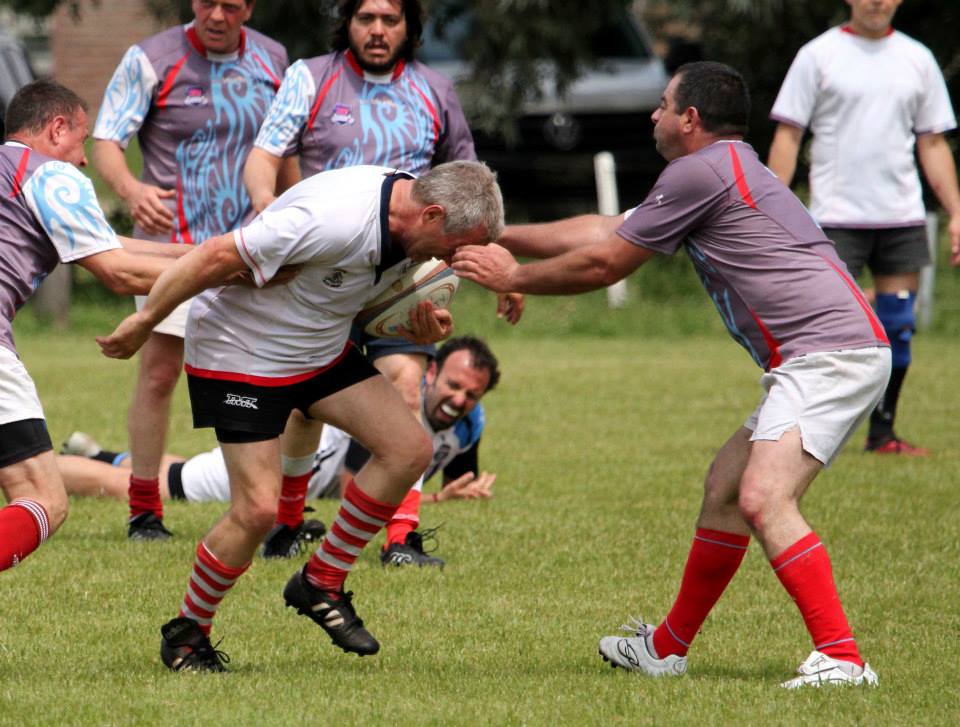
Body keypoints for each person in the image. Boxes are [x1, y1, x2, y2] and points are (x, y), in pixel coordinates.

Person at [452, 61, 890, 689]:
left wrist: (512, 276)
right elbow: (606, 229)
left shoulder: (700, 171)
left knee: (765, 497)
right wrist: (498, 236)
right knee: (725, 488)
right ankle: (666, 647)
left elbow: (605, 263)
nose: (652, 115)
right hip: (829, 351)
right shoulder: (717, 168)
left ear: (690, 119)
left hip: (829, 352)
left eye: (662, 105)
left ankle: (843, 658)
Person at [97, 160, 504, 672]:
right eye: (450, 248)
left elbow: (350, 293)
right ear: (431, 214)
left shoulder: (416, 220)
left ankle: (321, 582)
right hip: (241, 353)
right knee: (256, 511)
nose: (447, 261)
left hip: (318, 350)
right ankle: (187, 633)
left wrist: (416, 327)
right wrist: (144, 320)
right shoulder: (333, 217)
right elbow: (216, 254)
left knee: (409, 451)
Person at [243, 0, 520, 561]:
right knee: (305, 403)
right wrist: (267, 208)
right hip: (329, 266)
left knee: (404, 380)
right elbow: (263, 155)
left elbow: (472, 187)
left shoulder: (434, 90)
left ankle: (402, 536)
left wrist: (504, 265)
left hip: (406, 273)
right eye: (365, 17)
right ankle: (290, 523)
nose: (376, 30)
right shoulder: (309, 77)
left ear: (408, 27)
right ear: (347, 21)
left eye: (389, 19)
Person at [92, 0, 291, 539]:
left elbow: (286, 148)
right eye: (207, 2)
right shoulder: (151, 58)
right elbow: (107, 139)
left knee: (266, 379)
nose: (217, 14)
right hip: (171, 249)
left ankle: (274, 510)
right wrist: (131, 190)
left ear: (249, 7)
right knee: (159, 374)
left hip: (248, 248)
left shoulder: (275, 60)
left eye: (231, 4)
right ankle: (144, 509)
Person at [58, 335, 501, 565]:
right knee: (162, 485)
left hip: (308, 478)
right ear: (431, 370)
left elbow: (450, 481)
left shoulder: (468, 424)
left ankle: (97, 452)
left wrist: (454, 493)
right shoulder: (395, 404)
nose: (459, 400)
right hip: (294, 456)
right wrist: (438, 501)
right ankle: (42, 468)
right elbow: (355, 491)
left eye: (472, 395)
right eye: (454, 385)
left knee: (185, 470)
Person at [0, 80, 191, 572]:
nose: (83, 159)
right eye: (82, 141)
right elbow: (118, 271)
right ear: (57, 128)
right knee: (44, 497)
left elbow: (111, 244)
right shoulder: (49, 176)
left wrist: (213, 256)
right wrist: (225, 274)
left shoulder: (10, 171)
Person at [767, 0, 960, 456]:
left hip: (900, 216)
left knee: (898, 326)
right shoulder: (818, 54)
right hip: (835, 218)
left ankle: (882, 432)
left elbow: (932, 141)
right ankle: (809, 432)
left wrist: (956, 210)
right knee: (825, 334)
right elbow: (788, 134)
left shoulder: (917, 58)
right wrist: (769, 208)